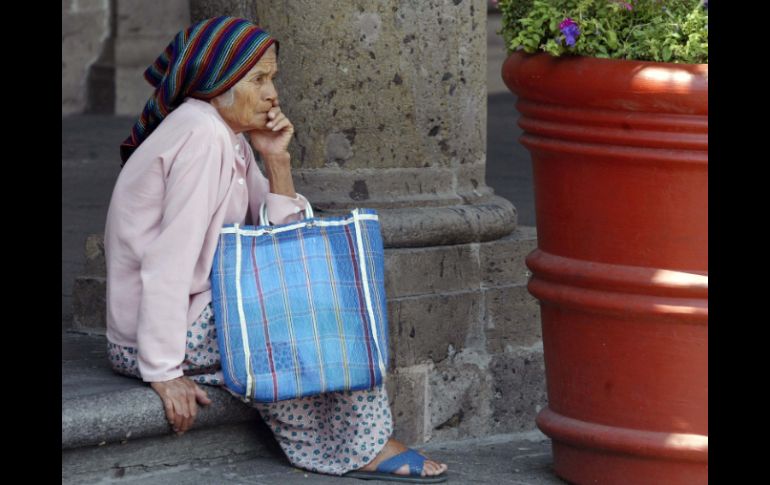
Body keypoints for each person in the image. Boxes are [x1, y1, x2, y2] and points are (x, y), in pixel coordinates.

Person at [103, 16, 448, 483]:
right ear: (217, 82)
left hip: (195, 311)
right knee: (297, 315)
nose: (272, 94)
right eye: (259, 80)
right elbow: (169, 260)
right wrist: (163, 370)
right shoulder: (201, 135)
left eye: (272, 79)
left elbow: (289, 242)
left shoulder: (227, 136)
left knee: (317, 295)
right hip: (159, 333)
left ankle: (360, 440)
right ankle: (356, 446)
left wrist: (277, 160)